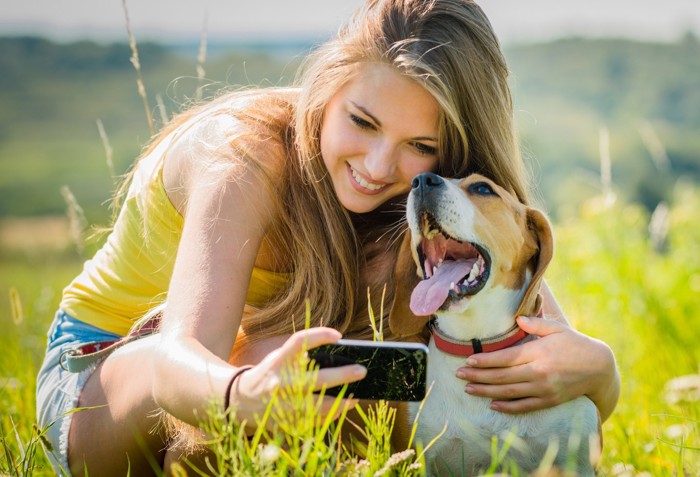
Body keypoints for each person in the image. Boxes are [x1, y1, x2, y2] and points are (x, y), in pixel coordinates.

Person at [35, 0, 620, 475]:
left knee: (392, 362)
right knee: (324, 363)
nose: (378, 164)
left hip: (254, 381)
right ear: (327, 89)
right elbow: (176, 360)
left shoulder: (429, 205)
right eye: (362, 122)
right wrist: (242, 395)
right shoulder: (243, 157)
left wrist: (602, 373)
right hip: (108, 378)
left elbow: (544, 358)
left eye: (420, 146)